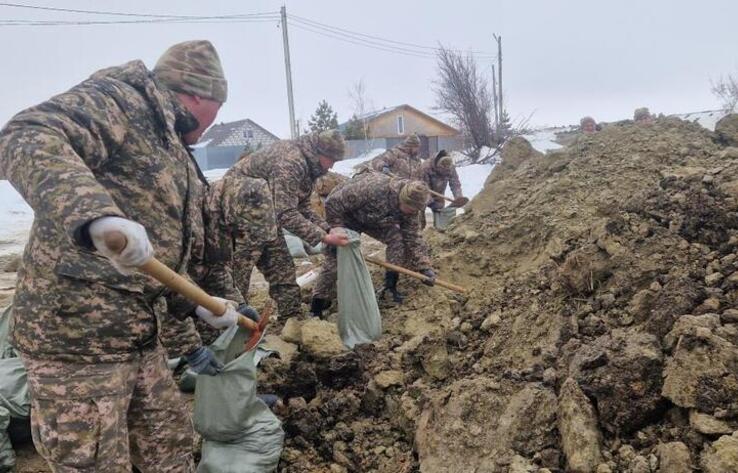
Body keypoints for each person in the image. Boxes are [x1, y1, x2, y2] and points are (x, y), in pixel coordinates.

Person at [0, 40, 244, 472]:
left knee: (169, 453)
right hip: (78, 343)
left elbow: (164, 257)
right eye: (218, 109)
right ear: (199, 94)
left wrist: (199, 306)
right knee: (94, 462)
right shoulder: (125, 99)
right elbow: (26, 134)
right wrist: (94, 215)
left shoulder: (172, 149)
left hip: (138, 337)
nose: (212, 125)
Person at [311, 172, 435, 315]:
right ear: (402, 199)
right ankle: (318, 304)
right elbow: (333, 203)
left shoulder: (412, 209)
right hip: (347, 217)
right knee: (335, 258)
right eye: (410, 209)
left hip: (374, 220)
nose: (411, 213)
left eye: (415, 211)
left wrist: (425, 267)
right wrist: (337, 229)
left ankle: (390, 287)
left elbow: (413, 238)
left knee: (397, 241)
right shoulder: (372, 189)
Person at [418, 150, 464, 229]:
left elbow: (455, 184)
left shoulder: (450, 167)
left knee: (441, 214)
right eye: (443, 171)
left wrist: (458, 196)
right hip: (422, 193)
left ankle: (440, 231)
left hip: (439, 193)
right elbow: (424, 189)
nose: (445, 173)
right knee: (419, 214)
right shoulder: (426, 168)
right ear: (438, 167)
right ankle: (419, 231)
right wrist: (432, 203)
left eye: (447, 171)